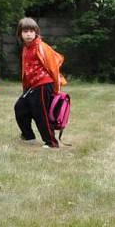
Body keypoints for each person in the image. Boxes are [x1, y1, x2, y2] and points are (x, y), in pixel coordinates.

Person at [14, 17, 67, 148]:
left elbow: (56, 61)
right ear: (20, 33)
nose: (28, 34)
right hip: (32, 86)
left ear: (36, 32)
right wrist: (26, 87)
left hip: (44, 84)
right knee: (20, 107)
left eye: (31, 31)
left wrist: (56, 86)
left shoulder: (41, 47)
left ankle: (51, 142)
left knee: (40, 113)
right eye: (25, 31)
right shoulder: (26, 48)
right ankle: (28, 136)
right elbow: (26, 70)